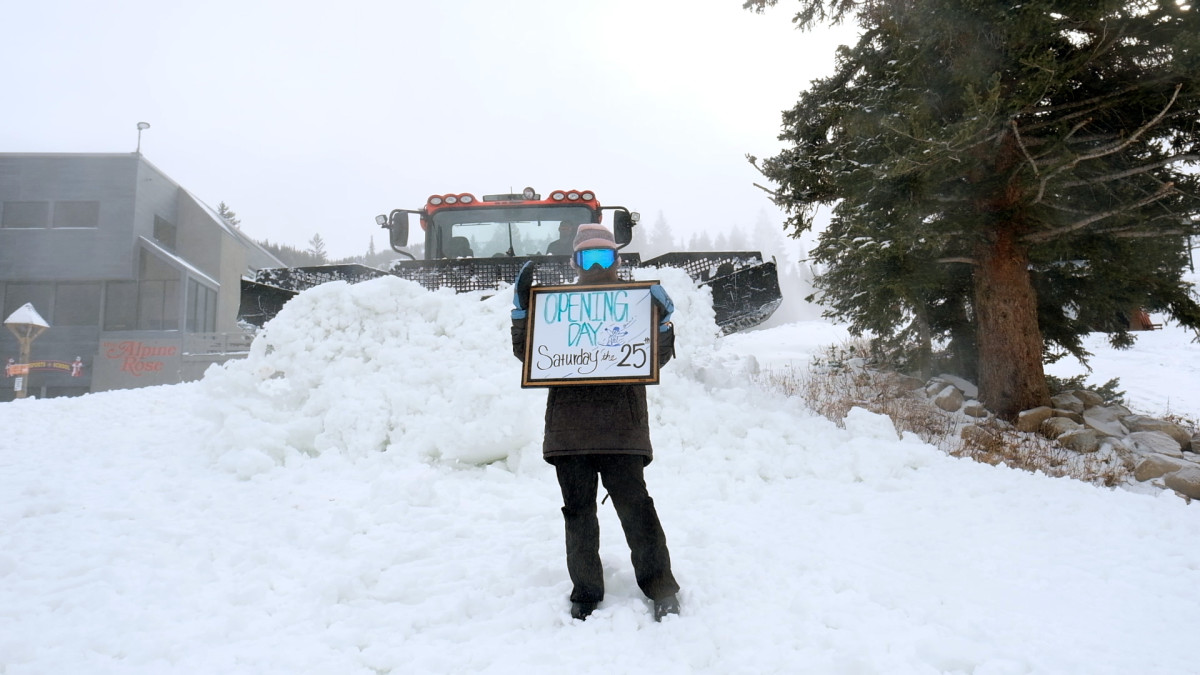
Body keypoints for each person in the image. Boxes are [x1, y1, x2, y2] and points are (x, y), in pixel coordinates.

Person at [510, 223, 682, 622]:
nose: (597, 263)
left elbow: (656, 357)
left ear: (616, 259)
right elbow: (528, 354)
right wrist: (522, 315)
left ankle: (661, 588)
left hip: (623, 428)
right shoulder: (556, 307)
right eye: (589, 257)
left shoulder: (636, 302)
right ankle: (585, 592)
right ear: (576, 261)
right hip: (569, 432)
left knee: (637, 509)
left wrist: (662, 324)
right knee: (578, 512)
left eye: (605, 256)